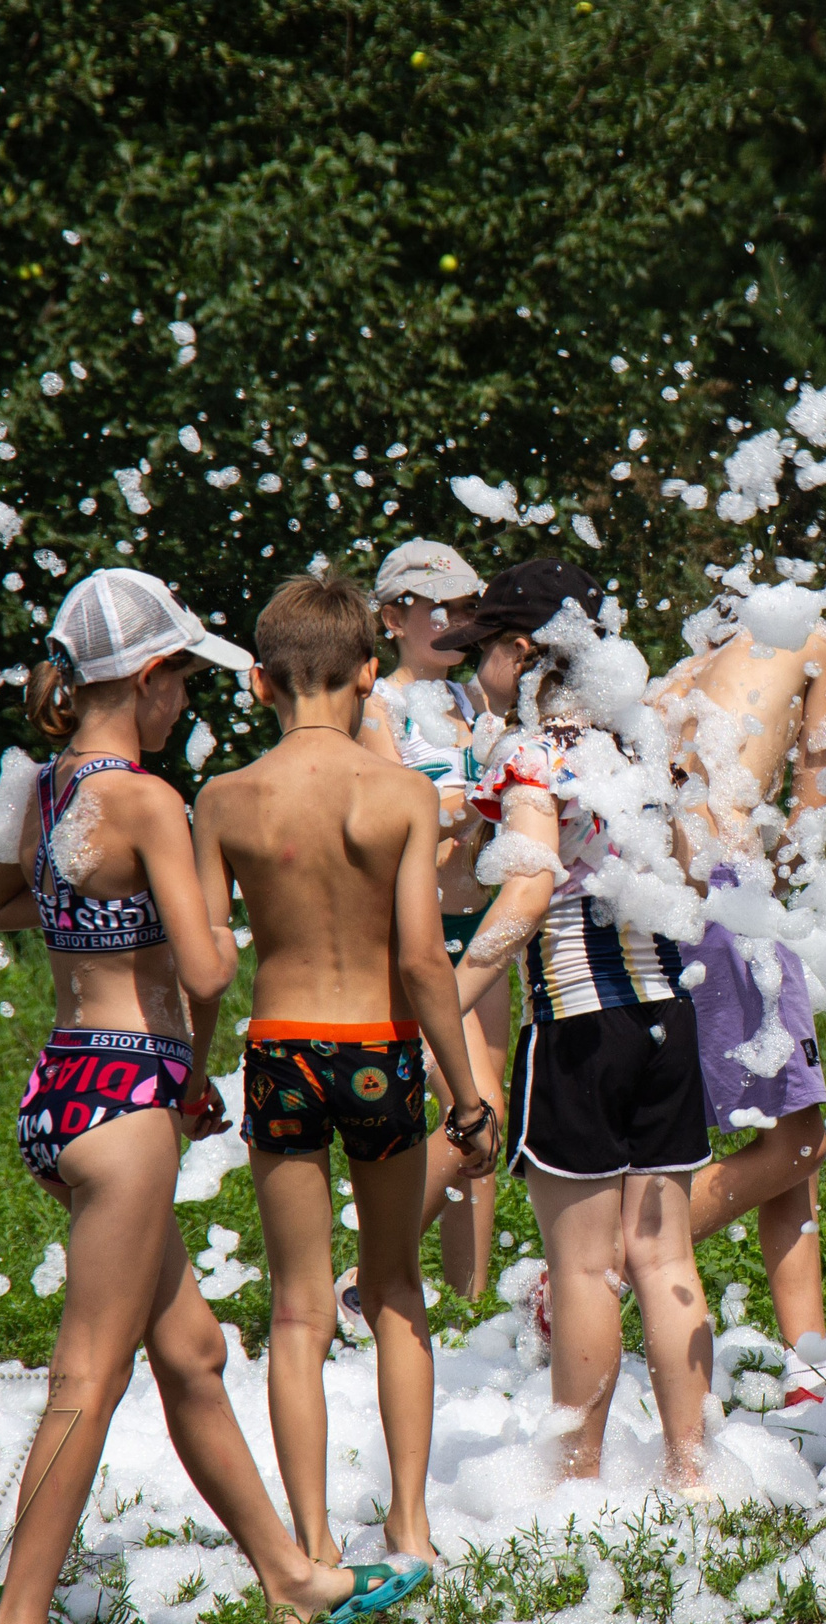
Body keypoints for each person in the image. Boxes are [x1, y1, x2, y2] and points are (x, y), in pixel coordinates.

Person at [0, 570, 418, 1624]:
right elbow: (214, 963)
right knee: (87, 1374)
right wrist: (194, 913)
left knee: (196, 1354)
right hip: (129, 1103)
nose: (186, 711)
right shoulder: (154, 801)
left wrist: (104, 921)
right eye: (180, 687)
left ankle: (291, 1576)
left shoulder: (48, 789)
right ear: (152, 679)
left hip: (63, 1089)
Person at [193, 574, 494, 1569]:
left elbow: (210, 964)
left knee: (295, 1310)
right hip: (377, 1052)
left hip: (279, 1049)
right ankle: (409, 1527)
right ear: (371, 672)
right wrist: (466, 1092)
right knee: (397, 1288)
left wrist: (197, 1070)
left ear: (259, 685)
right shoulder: (400, 793)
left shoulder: (225, 798)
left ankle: (314, 1545)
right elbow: (419, 959)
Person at [442, 558, 717, 1485]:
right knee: (664, 1252)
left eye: (481, 651)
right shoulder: (645, 750)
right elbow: (683, 872)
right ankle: (692, 1471)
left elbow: (528, 888)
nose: (477, 670)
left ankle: (576, 1483)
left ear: (524, 653)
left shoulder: (533, 754)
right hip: (664, 1021)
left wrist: (449, 991)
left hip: (578, 1030)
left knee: (586, 1266)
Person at [653, 607, 826, 1414]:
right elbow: (813, 799)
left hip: (676, 893)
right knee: (805, 1137)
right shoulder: (818, 641)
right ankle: (602, 1266)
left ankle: (808, 1367)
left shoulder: (696, 664)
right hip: (732, 889)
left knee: (787, 1131)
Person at [357, 540, 502, 1302]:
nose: (459, 618)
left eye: (469, 605)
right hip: (423, 933)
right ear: (392, 617)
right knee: (481, 1104)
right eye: (439, 605)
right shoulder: (377, 710)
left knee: (481, 1131)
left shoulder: (472, 702)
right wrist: (468, 803)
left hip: (482, 922)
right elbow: (391, 820)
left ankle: (468, 1304)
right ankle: (367, 1271)